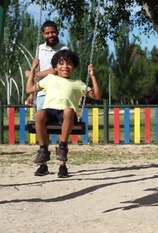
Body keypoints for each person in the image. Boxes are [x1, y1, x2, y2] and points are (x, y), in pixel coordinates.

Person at [26, 49, 102, 178]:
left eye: (69, 64)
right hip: (50, 111)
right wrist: (33, 69)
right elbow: (29, 89)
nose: (65, 67)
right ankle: (43, 149)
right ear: (55, 67)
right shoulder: (49, 79)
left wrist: (93, 76)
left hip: (67, 114)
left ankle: (62, 146)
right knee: (39, 114)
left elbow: (97, 95)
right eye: (61, 63)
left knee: (68, 110)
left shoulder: (77, 84)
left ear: (74, 67)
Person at [27, 20, 69, 176]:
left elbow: (57, 71)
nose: (51, 35)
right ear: (43, 34)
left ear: (57, 32)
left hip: (59, 91)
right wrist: (32, 93)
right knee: (41, 123)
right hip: (43, 92)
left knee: (61, 126)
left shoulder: (64, 49)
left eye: (53, 32)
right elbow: (37, 70)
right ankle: (43, 162)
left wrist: (36, 74)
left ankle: (62, 165)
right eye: (47, 33)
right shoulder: (40, 49)